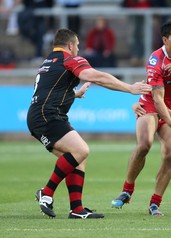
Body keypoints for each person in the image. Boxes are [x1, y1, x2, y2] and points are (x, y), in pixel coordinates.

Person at [27, 28, 152, 219]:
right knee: (81, 150)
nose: (78, 49)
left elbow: (49, 91)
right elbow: (97, 77)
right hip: (47, 115)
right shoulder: (71, 59)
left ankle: (76, 209)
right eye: (77, 45)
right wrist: (130, 88)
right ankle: (47, 192)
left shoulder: (48, 62)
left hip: (42, 115)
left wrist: (74, 94)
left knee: (77, 157)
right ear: (70, 45)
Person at [111, 18, 171, 216]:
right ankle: (127, 190)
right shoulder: (156, 60)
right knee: (145, 144)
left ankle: (155, 203)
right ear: (165, 39)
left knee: (170, 153)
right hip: (152, 106)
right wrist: (170, 122)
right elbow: (158, 98)